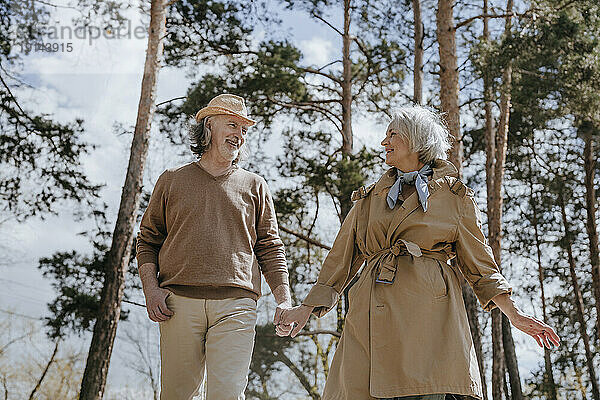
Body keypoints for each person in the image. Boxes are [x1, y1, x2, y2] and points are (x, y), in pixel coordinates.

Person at [280, 106, 560, 400]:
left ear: (416, 140)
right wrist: (306, 308)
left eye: (392, 134)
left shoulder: (453, 197)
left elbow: (481, 265)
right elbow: (340, 260)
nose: (383, 142)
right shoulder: (369, 198)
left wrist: (513, 314)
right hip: (368, 316)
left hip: (429, 319)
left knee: (424, 389)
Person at [136, 93, 293, 400]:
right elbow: (148, 240)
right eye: (233, 124)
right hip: (177, 304)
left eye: (245, 130)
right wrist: (150, 290)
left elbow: (271, 247)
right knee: (178, 396)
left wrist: (284, 299)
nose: (240, 134)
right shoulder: (171, 180)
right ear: (209, 126)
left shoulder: (254, 185)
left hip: (237, 304)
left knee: (227, 395)